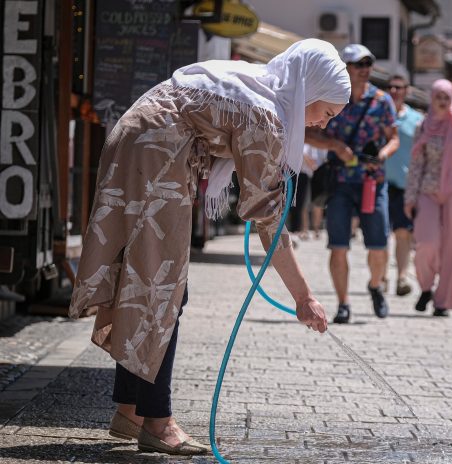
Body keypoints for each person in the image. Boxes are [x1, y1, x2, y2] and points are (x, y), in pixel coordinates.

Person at [68, 39, 349, 455]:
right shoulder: (265, 114)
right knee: (163, 289)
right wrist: (304, 298)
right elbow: (268, 220)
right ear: (308, 90)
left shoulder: (258, 87)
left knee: (148, 282)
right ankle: (157, 422)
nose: (323, 125)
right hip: (155, 154)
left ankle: (131, 410)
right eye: (325, 112)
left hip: (142, 143)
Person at [305, 44, 399, 324]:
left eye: (368, 64)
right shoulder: (332, 97)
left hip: (372, 181)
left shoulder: (381, 100)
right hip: (340, 183)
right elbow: (306, 133)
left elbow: (393, 137)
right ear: (345, 68)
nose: (365, 69)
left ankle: (374, 285)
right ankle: (344, 303)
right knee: (338, 245)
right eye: (359, 64)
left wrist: (381, 154)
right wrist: (334, 145)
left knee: (379, 246)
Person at [404, 79, 452, 317]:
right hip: (428, 191)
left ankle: (443, 301)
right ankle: (426, 287)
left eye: (447, 97)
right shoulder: (423, 126)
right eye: (439, 97)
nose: (443, 102)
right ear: (432, 99)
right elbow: (416, 163)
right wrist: (410, 197)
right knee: (427, 242)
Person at [384, 74, 423, 297]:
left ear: (407, 90)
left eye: (398, 87)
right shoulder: (379, 114)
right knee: (381, 235)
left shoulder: (416, 119)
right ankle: (381, 277)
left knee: (402, 233)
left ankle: (401, 277)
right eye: (390, 87)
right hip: (379, 183)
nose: (393, 91)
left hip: (404, 185)